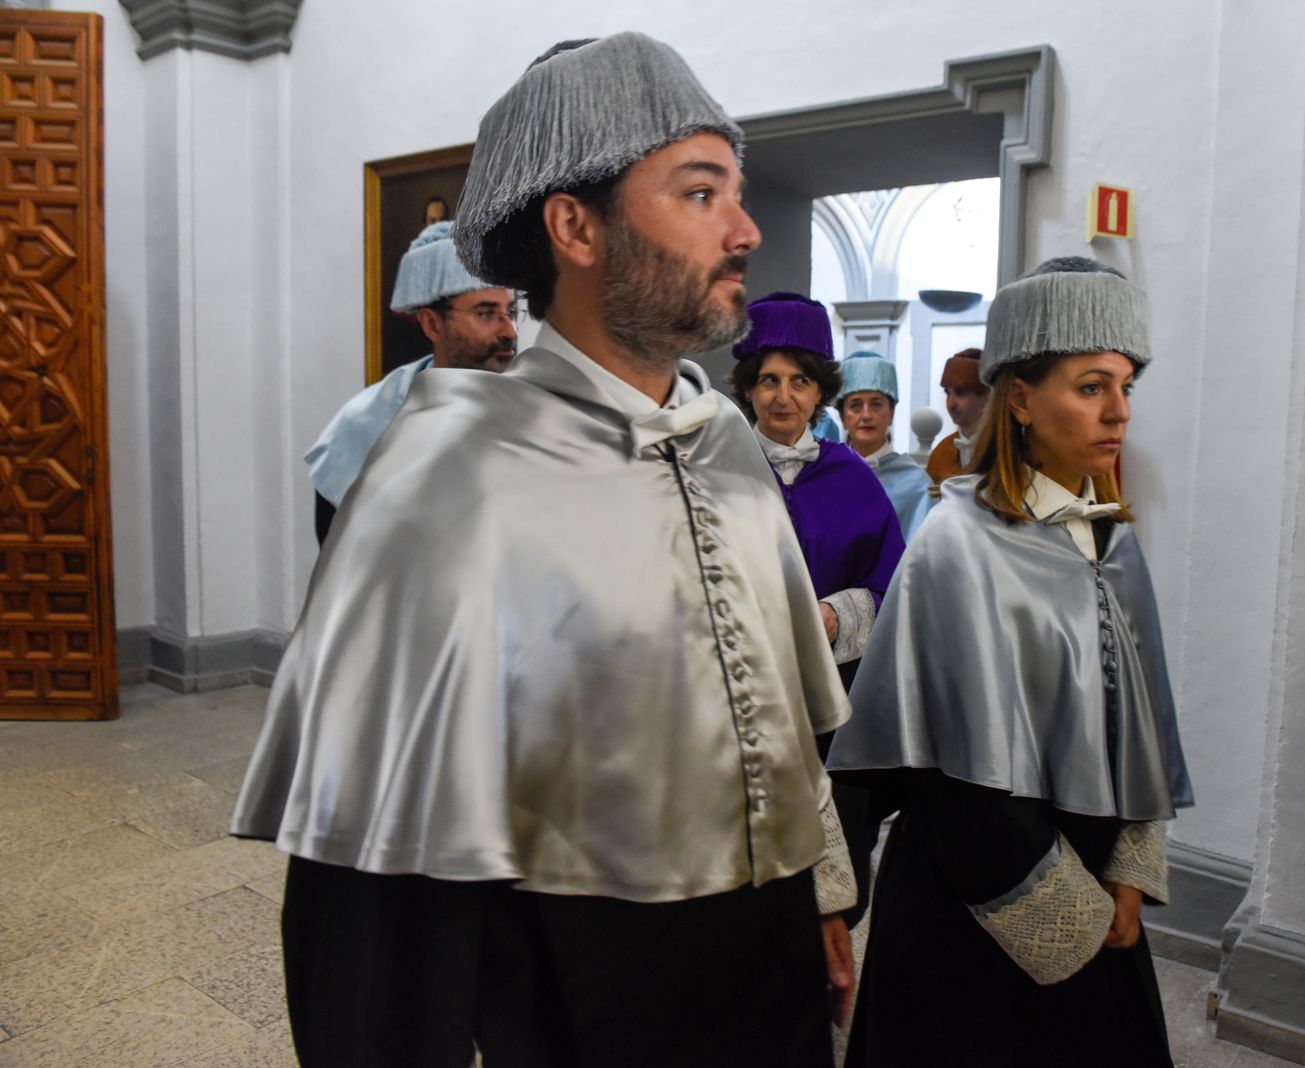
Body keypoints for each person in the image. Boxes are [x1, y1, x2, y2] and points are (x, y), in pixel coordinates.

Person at [233, 34, 856, 1068]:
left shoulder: (730, 442)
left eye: (736, 195)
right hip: (584, 1003)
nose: (745, 230)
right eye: (701, 193)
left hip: (770, 979)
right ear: (575, 226)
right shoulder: (446, 474)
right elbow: (371, 911)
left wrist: (821, 896)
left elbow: (780, 721)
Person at [828, 257, 1193, 1067]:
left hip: (1096, 873)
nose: (1119, 411)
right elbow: (948, 776)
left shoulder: (1111, 540)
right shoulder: (957, 543)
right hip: (976, 898)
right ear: (1020, 399)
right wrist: (1074, 917)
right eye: (1091, 387)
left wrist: (1130, 866)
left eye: (1125, 386)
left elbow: (1135, 724)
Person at [726, 293, 906, 687]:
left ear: (819, 392)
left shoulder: (852, 476)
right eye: (769, 380)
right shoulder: (721, 471)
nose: (784, 398)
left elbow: (894, 586)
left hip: (833, 682)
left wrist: (838, 614)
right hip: (740, 681)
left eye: (800, 381)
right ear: (748, 389)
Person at [304, 221, 516, 543]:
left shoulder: (536, 410)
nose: (509, 331)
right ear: (432, 324)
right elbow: (339, 553)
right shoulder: (368, 424)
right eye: (486, 314)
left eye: (510, 312)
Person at [836, 350, 934, 539]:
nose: (866, 415)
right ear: (842, 417)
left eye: (876, 404)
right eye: (855, 405)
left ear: (891, 413)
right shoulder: (828, 476)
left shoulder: (916, 485)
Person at [923, 346, 989, 489]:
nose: (950, 404)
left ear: (986, 395)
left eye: (960, 393)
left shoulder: (1006, 449)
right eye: (947, 393)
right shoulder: (941, 453)